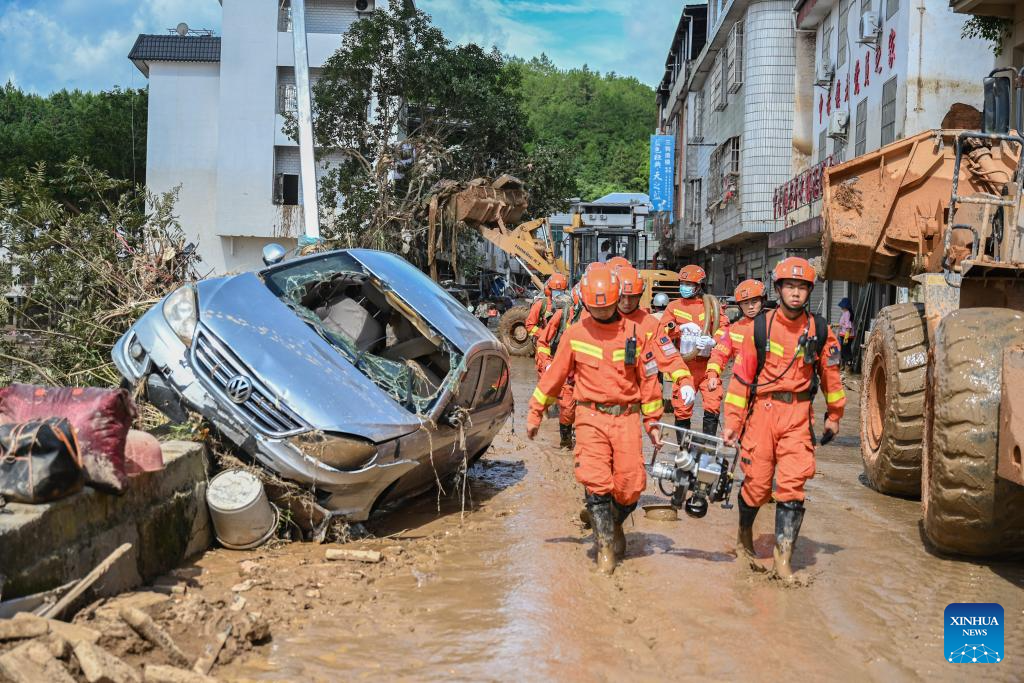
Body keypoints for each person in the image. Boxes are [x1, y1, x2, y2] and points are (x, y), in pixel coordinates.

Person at [526, 264, 666, 575]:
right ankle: (605, 548)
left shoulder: (636, 333)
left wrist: (653, 422)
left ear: (618, 300)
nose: (601, 314)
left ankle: (611, 520)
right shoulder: (575, 334)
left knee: (631, 486)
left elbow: (649, 381)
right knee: (596, 480)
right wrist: (535, 411)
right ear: (587, 304)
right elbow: (555, 375)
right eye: (595, 308)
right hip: (589, 417)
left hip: (627, 417)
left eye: (606, 307)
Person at [721, 257, 846, 582]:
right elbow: (740, 381)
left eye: (801, 287)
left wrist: (834, 415)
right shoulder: (759, 329)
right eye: (789, 286)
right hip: (762, 414)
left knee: (792, 487)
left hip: (797, 417)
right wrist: (732, 423)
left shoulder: (819, 330)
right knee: (758, 486)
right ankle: (744, 537)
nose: (795, 293)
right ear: (778, 289)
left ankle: (782, 561)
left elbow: (832, 377)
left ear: (809, 291)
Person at [663, 265, 730, 436]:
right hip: (684, 365)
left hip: (708, 364)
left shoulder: (711, 305)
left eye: (689, 284)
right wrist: (680, 328)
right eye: (682, 283)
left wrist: (713, 340)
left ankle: (707, 449)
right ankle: (683, 453)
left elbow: (724, 329)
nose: (684, 287)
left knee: (713, 403)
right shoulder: (674, 306)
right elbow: (662, 332)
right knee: (682, 407)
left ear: (699, 285)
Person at [535, 285, 586, 449]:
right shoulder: (562, 315)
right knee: (567, 409)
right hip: (566, 371)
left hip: (589, 373)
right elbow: (543, 341)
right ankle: (565, 441)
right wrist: (548, 364)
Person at [705, 279, 767, 392]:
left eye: (754, 302)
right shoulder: (734, 329)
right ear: (740, 306)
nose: (750, 307)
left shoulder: (773, 325)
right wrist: (712, 375)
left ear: (763, 301)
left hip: (769, 384)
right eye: (745, 303)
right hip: (742, 385)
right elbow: (719, 353)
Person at [527, 273, 569, 377]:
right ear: (548, 290)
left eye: (561, 291)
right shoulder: (541, 304)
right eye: (555, 291)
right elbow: (529, 326)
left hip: (562, 350)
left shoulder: (568, 306)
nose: (558, 294)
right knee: (545, 379)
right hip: (545, 349)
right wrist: (545, 335)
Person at [837, 297, 855, 371]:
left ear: (845, 306)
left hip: (846, 335)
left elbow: (848, 326)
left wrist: (846, 337)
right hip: (844, 334)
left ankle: (849, 366)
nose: (841, 307)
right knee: (844, 350)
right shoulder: (845, 313)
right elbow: (843, 324)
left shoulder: (847, 313)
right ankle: (844, 366)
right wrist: (835, 325)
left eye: (842, 306)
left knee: (846, 351)